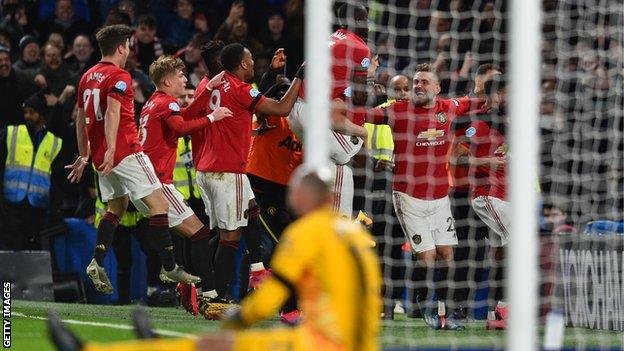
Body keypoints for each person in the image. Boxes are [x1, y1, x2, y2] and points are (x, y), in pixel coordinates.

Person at [48, 166, 382, 351]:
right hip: (358, 342)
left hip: (324, 345)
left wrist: (236, 322)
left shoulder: (307, 232)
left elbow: (272, 297)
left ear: (305, 196)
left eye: (295, 190)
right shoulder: (352, 231)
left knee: (214, 346)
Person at [66, 24, 199, 295]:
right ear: (120, 48)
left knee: (116, 205)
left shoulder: (87, 77)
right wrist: (115, 148)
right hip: (126, 151)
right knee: (159, 202)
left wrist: (85, 154)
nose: (129, 50)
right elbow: (113, 113)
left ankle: (98, 261)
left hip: (102, 157)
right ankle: (169, 265)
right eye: (128, 45)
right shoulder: (120, 76)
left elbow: (81, 118)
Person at [354, 63, 479, 330]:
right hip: (408, 195)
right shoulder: (398, 111)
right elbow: (362, 114)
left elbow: (474, 101)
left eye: (424, 82)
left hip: (439, 197)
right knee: (428, 256)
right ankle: (426, 306)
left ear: (437, 88)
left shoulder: (448, 108)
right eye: (416, 82)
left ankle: (453, 311)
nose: (418, 86)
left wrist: (487, 90)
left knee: (448, 254)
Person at [185, 43, 303, 319]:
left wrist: (273, 75)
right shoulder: (239, 88)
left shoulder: (210, 84)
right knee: (230, 237)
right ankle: (216, 298)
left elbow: (250, 97)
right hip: (228, 171)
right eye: (250, 59)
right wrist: (299, 77)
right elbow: (282, 108)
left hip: (208, 170)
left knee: (250, 212)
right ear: (242, 65)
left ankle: (256, 270)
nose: (253, 63)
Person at [137, 55, 232, 314]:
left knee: (193, 235)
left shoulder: (153, 103)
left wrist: (209, 88)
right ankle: (205, 292)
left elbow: (186, 115)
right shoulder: (166, 103)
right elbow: (181, 128)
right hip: (158, 184)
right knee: (200, 234)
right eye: (180, 76)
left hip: (147, 182)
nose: (183, 79)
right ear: (167, 80)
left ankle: (188, 283)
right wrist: (213, 117)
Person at [287, 2, 370, 218]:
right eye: (366, 19)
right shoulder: (360, 47)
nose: (368, 25)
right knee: (354, 150)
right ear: (359, 21)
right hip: (316, 115)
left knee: (333, 167)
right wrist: (372, 88)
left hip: (298, 111)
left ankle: (319, 217)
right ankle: (338, 225)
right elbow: (360, 96)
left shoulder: (327, 39)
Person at [245, 48, 303, 324]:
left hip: (287, 194)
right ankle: (289, 308)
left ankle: (248, 299)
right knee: (282, 246)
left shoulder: (304, 126)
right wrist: (273, 74)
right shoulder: (270, 118)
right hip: (260, 186)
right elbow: (258, 101)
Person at [450, 75, 509, 330]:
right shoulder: (477, 122)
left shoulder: (511, 121)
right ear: (494, 95)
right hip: (486, 195)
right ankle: (505, 309)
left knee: (501, 253)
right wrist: (487, 162)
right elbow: (457, 157)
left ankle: (496, 315)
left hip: (507, 195)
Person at [0, 92, 63, 250]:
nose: (27, 116)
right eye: (25, 112)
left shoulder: (54, 142)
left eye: (32, 112)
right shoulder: (11, 133)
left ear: (41, 114)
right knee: (11, 250)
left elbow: (57, 179)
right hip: (11, 205)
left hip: (37, 207)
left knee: (32, 252)